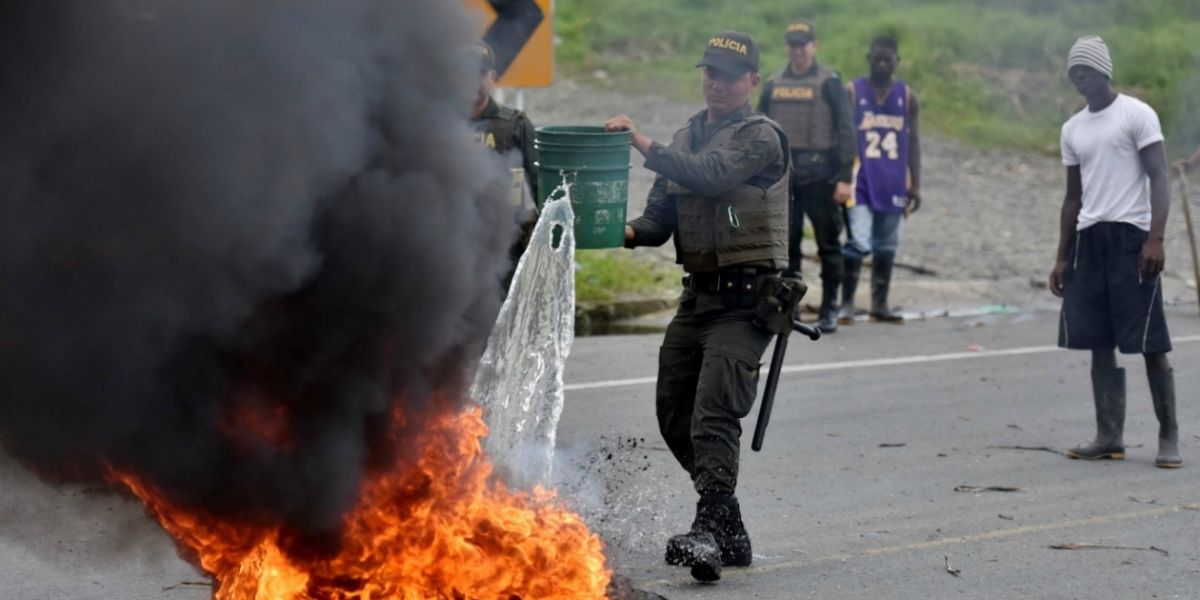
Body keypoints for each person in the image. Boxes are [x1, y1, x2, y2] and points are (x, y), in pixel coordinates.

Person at [604, 31, 790, 582]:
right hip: (700, 297)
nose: (716, 83)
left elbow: (710, 176)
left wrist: (641, 141)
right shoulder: (688, 134)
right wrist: (622, 230)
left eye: (729, 75)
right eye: (709, 72)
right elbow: (659, 219)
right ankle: (727, 521)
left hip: (747, 302)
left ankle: (708, 528)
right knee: (672, 409)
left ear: (752, 81)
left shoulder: (761, 137)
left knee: (713, 411)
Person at [1050, 35, 1181, 468]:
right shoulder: (1073, 128)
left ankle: (1169, 436)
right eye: (1073, 73)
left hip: (1131, 239)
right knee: (1097, 339)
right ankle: (1109, 435)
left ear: (1103, 70)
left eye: (1084, 71)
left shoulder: (1136, 115)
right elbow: (1073, 198)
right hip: (1091, 240)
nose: (1079, 79)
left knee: (1149, 341)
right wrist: (1062, 256)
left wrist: (1156, 237)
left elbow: (1159, 177)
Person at [757, 19, 856, 333]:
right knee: (787, 247)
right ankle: (790, 308)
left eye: (803, 44)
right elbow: (759, 129)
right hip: (785, 179)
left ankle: (830, 309)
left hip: (823, 179)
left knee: (829, 246)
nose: (798, 51)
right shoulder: (773, 84)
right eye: (793, 45)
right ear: (787, 47)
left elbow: (846, 131)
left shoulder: (830, 82)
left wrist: (844, 178)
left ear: (814, 46)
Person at [839, 36, 921, 324]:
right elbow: (843, 138)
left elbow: (914, 144)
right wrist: (839, 177)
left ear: (896, 62)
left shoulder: (907, 96)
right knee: (858, 242)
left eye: (888, 59)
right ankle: (846, 302)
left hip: (894, 182)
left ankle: (880, 304)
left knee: (887, 246)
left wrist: (917, 186)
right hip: (860, 179)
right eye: (877, 59)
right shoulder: (852, 91)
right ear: (869, 58)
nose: (882, 64)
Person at [468, 41, 539, 291]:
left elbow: (539, 184)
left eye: (481, 73)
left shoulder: (514, 125)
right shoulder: (439, 122)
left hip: (503, 245)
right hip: (453, 244)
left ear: (492, 77)